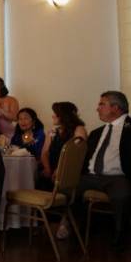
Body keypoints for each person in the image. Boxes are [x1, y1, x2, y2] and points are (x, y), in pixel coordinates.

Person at [74, 91, 131, 250]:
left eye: (102, 104)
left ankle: (120, 234)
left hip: (118, 178)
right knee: (66, 187)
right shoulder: (96, 133)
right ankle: (75, 229)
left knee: (122, 195)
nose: (97, 108)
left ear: (115, 108)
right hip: (91, 176)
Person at [37, 101, 87, 239]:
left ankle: (67, 219)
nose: (53, 116)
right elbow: (45, 153)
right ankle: (42, 222)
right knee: (38, 178)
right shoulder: (52, 132)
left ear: (63, 116)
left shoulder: (79, 130)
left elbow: (74, 155)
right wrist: (47, 167)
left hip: (69, 170)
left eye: (56, 114)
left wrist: (60, 170)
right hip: (52, 168)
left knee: (66, 185)